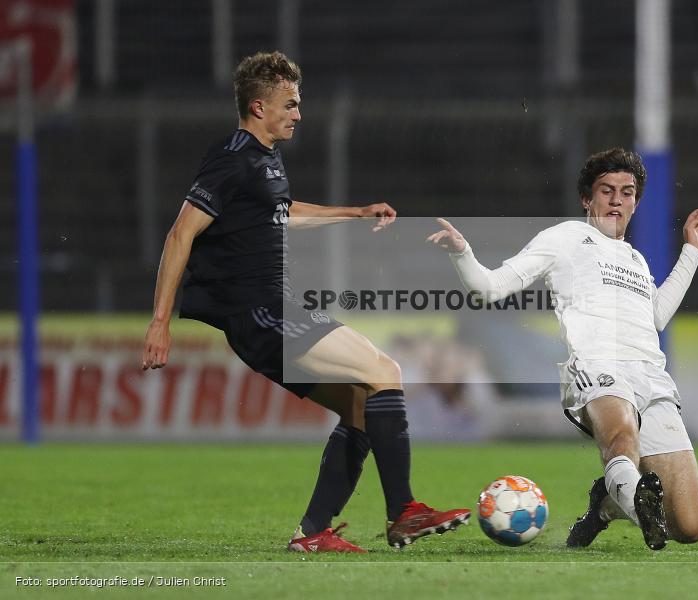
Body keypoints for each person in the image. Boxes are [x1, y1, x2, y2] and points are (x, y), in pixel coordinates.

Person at [140, 51, 470, 553]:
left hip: (268, 311)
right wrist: (159, 321)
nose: (299, 114)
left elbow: (281, 210)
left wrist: (355, 212)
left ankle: (313, 532)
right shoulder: (232, 156)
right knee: (385, 371)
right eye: (290, 104)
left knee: (360, 406)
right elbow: (180, 234)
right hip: (260, 311)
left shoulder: (265, 158)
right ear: (258, 107)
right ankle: (404, 512)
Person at [427, 148, 698, 550]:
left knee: (690, 526)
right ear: (586, 199)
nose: (617, 200)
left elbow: (657, 317)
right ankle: (636, 505)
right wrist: (462, 253)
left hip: (651, 376)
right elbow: (490, 287)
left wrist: (692, 251)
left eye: (627, 192)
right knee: (620, 437)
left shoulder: (635, 259)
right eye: (606, 190)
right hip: (597, 367)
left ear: (636, 202)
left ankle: (607, 505)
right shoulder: (564, 238)